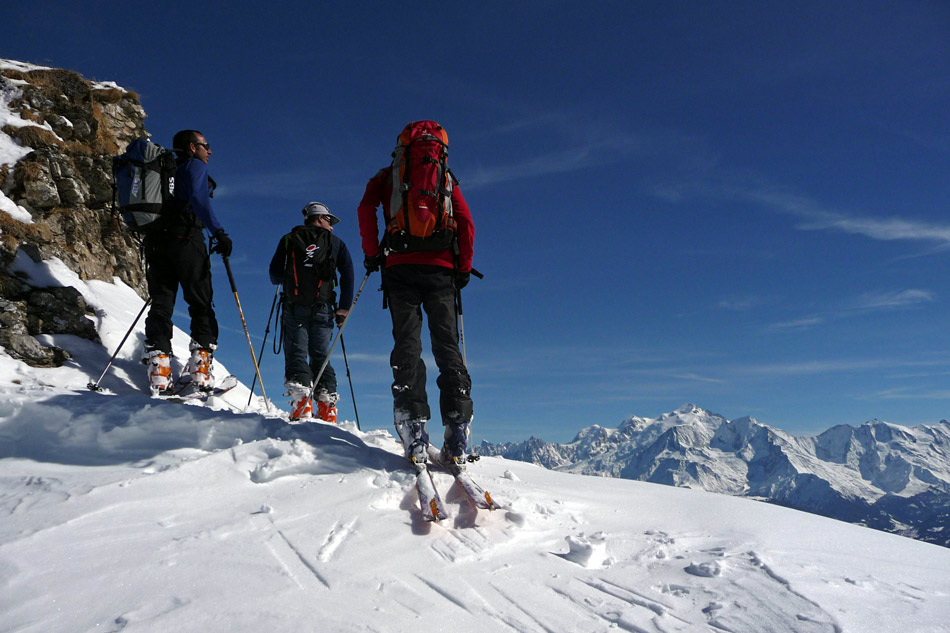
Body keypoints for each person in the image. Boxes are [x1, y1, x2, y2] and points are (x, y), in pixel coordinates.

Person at [357, 122, 475, 468]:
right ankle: (457, 427)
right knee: (447, 345)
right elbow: (466, 223)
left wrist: (371, 252)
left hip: (399, 267)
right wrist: (463, 267)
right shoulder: (446, 178)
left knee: (407, 343)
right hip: (441, 269)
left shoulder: (389, 175)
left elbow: (365, 209)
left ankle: (413, 426)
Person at [143, 130, 232, 395]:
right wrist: (218, 231)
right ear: (193, 148)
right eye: (206, 146)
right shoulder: (193, 166)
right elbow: (197, 196)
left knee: (161, 302)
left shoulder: (160, 171)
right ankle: (201, 370)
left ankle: (159, 370)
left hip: (157, 241)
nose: (210, 151)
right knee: (200, 300)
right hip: (186, 239)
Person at [269, 202, 354, 422]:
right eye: (329, 220)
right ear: (319, 218)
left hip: (294, 306)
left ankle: (301, 406)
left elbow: (274, 275)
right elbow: (348, 274)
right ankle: (327, 408)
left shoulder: (288, 239)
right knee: (321, 355)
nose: (332, 226)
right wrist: (344, 308)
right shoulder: (336, 244)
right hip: (323, 308)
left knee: (296, 352)